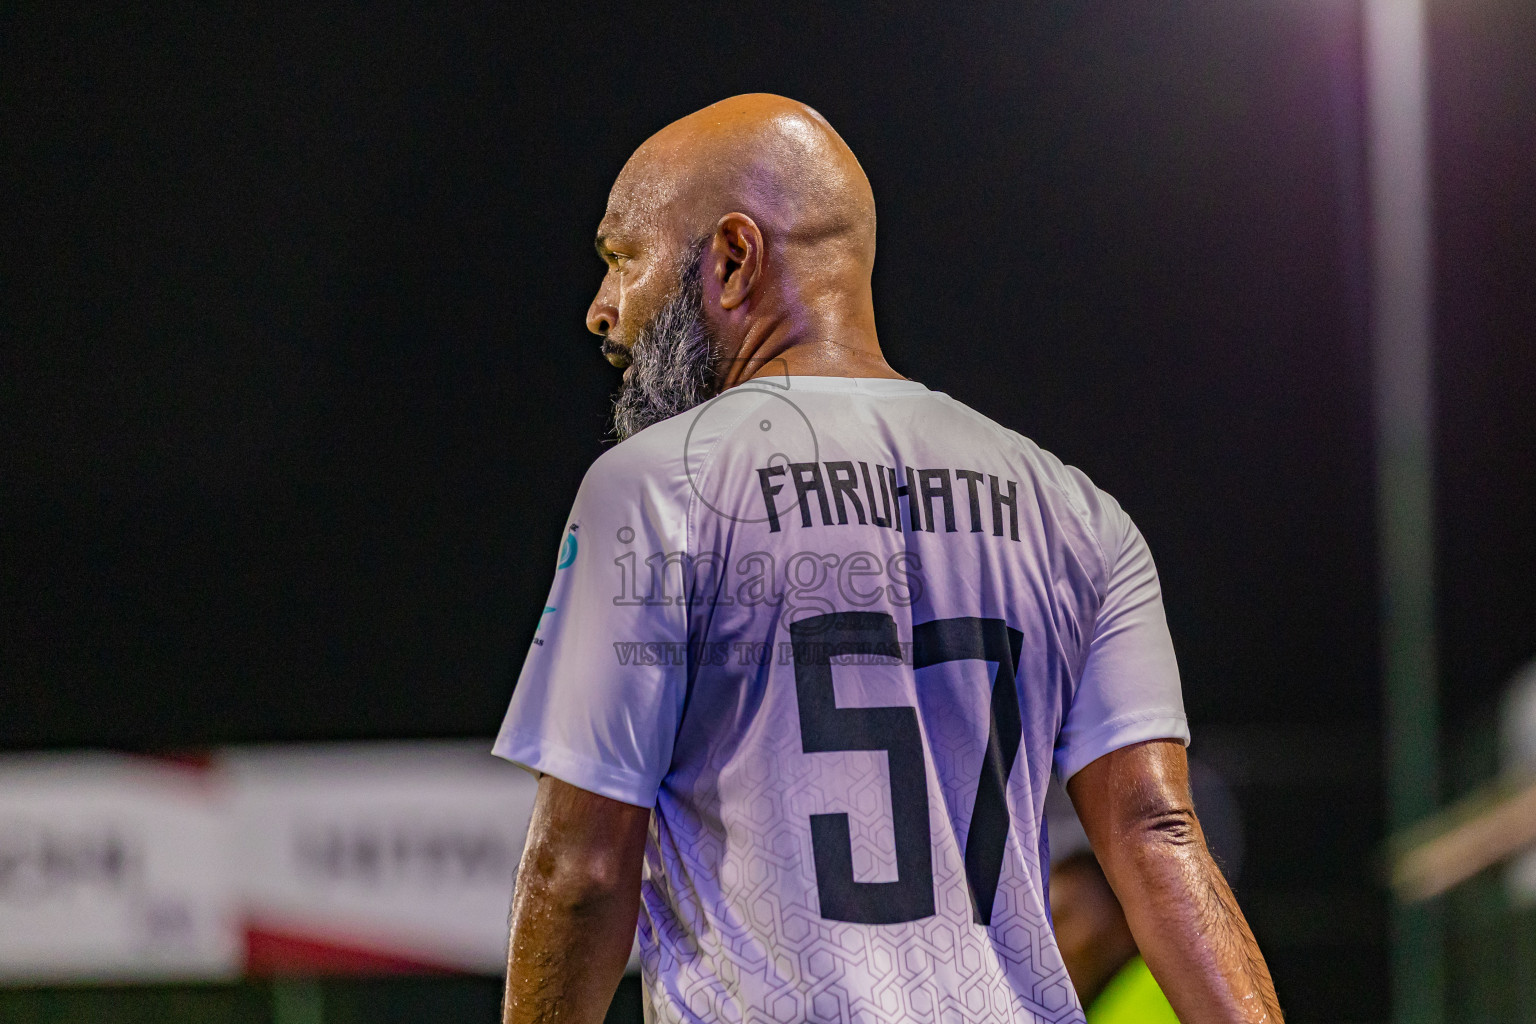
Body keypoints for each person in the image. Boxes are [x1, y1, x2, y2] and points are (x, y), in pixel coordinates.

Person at [495, 93, 1282, 1024]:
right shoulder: (1078, 512)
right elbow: (1157, 836)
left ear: (733, 260)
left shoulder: (655, 490)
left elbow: (582, 872)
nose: (601, 310)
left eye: (623, 260)